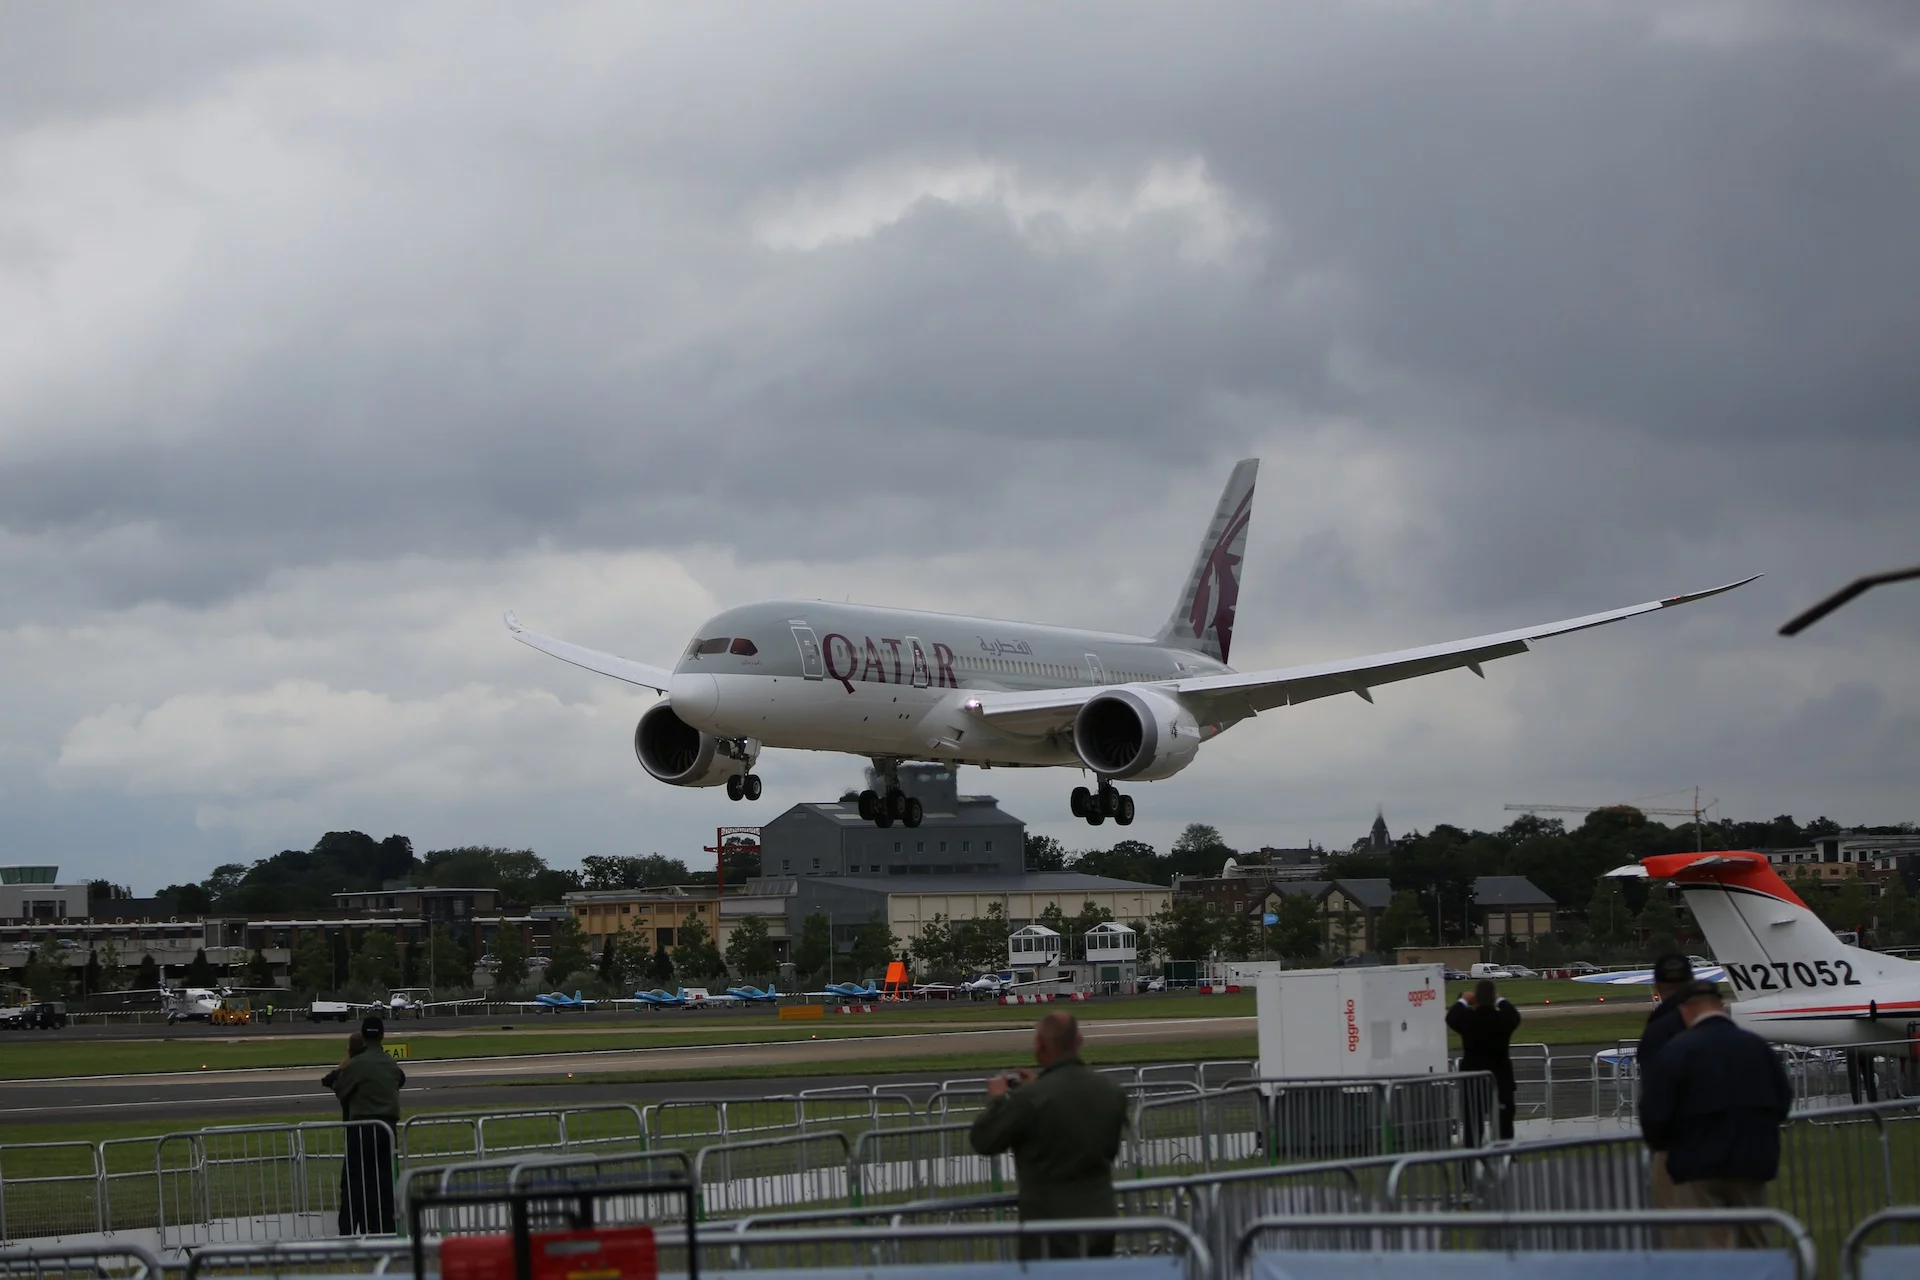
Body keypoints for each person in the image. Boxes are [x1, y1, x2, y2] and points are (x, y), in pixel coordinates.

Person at [1640, 982, 1793, 1248]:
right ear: (1720, 1007)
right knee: (1756, 1246)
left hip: (1696, 1165)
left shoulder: (1676, 1051)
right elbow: (1782, 1101)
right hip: (1752, 1160)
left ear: (1686, 1011)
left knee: (1709, 1247)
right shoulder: (1756, 1047)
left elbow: (1655, 1115)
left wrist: (1669, 1147)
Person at [968, 1012, 1129, 1260]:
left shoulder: (1031, 1099)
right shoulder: (1111, 1091)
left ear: (1040, 1045)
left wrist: (998, 1101)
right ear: (1079, 1042)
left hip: (1050, 1226)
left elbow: (983, 1140)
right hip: (1101, 1218)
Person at [324, 1015, 407, 1235]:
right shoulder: (390, 1063)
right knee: (385, 1183)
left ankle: (349, 1233)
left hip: (361, 1130)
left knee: (355, 1183)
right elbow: (400, 1079)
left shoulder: (356, 1064)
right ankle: (385, 1230)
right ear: (382, 1035)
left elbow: (340, 1089)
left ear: (362, 1034)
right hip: (388, 1131)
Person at [1637, 953, 1696, 1208]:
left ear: (1658, 986)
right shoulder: (1721, 1023)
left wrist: (1657, 1141)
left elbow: (1654, 1098)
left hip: (1678, 1148)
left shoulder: (1658, 1031)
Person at [1446, 979, 1523, 1141]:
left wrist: (1464, 1000)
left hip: (1473, 1079)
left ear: (1476, 998)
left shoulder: (1469, 1019)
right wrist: (1500, 1000)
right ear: (1493, 997)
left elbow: (1451, 1017)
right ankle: (1505, 1152)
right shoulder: (1502, 1019)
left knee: (1473, 1126)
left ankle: (1472, 1154)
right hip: (1500, 1078)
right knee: (1504, 1126)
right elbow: (1514, 1016)